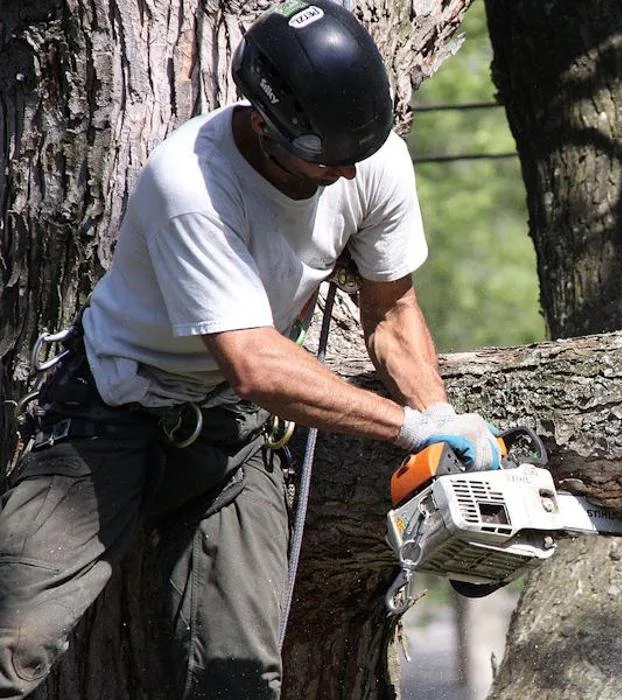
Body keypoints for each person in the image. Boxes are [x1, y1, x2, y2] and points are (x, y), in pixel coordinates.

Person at [0, 1, 501, 697]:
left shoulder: (367, 155)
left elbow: (391, 310)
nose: (351, 176)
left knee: (239, 677)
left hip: (232, 431)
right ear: (267, 122)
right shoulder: (191, 184)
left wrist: (442, 419)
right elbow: (255, 361)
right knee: (12, 640)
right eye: (327, 160)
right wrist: (408, 426)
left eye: (357, 155)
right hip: (110, 411)